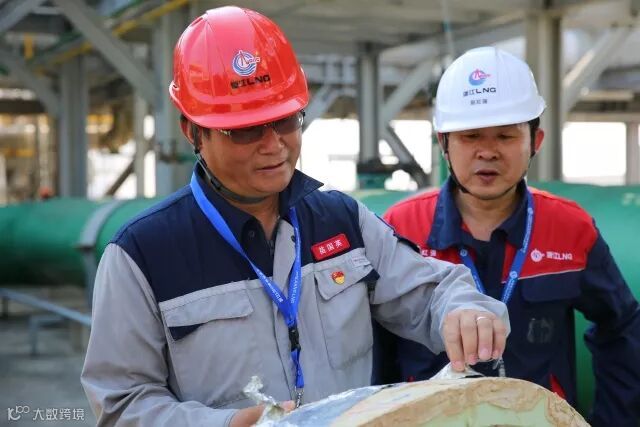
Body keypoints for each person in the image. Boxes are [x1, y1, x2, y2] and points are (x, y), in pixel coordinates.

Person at [80, 8, 510, 427]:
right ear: (192, 131)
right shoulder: (143, 254)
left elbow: (431, 292)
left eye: (286, 121)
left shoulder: (343, 222)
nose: (274, 145)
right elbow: (122, 403)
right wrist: (230, 424)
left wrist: (463, 310)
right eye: (245, 129)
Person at [372, 46, 640, 426]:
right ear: (443, 143)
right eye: (470, 136)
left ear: (536, 140)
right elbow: (376, 348)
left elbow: (622, 326)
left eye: (505, 136)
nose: (488, 152)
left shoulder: (569, 228)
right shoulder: (400, 227)